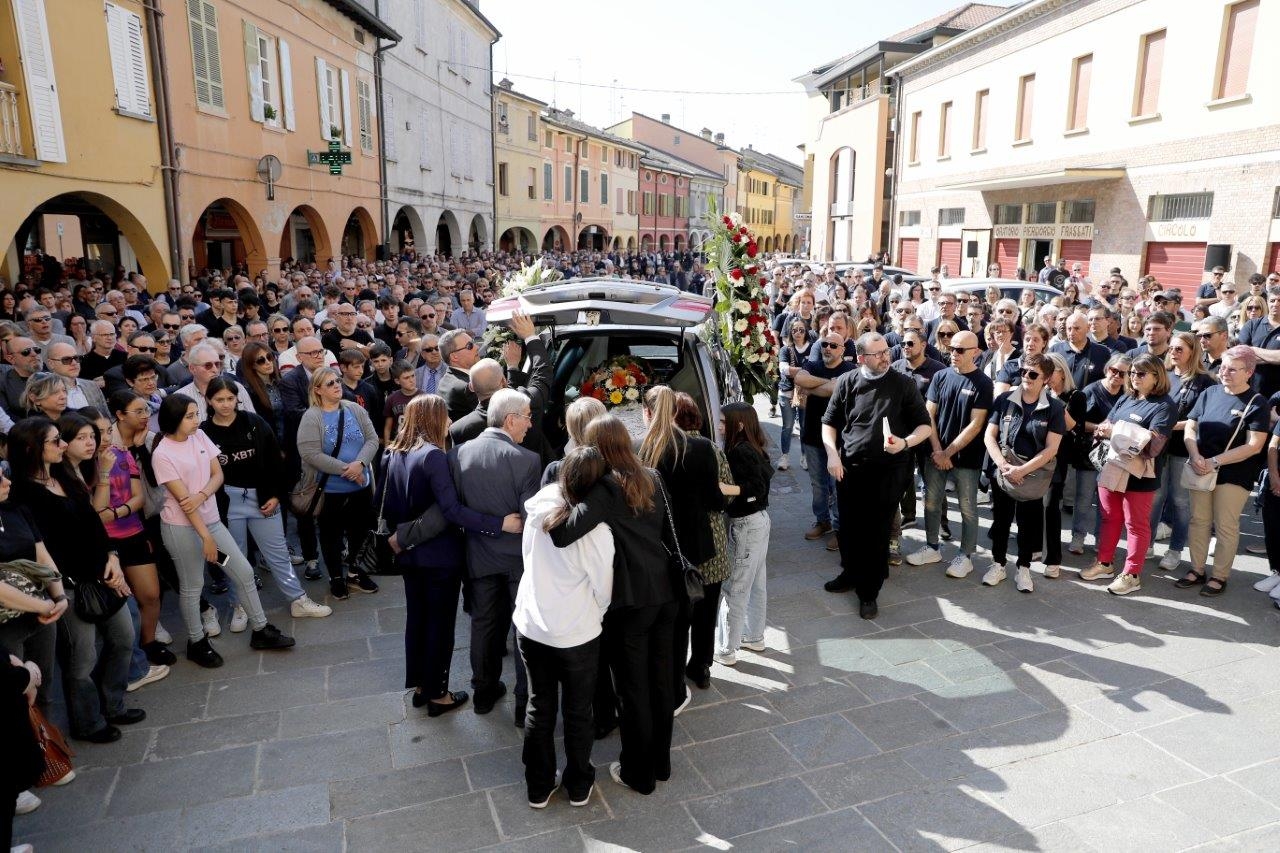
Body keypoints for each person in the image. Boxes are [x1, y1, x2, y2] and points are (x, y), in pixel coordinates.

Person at [548, 415, 678, 796]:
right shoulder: (651, 475)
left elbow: (562, 535)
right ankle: (661, 764)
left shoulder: (605, 488)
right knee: (660, 683)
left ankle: (640, 773)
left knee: (633, 690)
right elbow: (671, 535)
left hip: (631, 601)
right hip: (666, 594)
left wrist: (558, 501)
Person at [381, 395, 521, 716]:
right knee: (440, 626)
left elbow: (384, 504)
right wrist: (499, 524)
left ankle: (420, 686)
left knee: (416, 619)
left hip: (408, 555)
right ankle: (438, 695)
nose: (448, 422)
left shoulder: (393, 454)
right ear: (433, 418)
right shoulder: (434, 457)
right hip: (440, 558)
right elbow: (453, 511)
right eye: (445, 415)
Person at [8, 416, 142, 742]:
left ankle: (113, 704)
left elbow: (92, 522)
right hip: (68, 584)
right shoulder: (23, 494)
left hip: (101, 573)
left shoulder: (66, 474)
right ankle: (88, 722)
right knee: (82, 658)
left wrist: (112, 557)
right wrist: (81, 580)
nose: (64, 445)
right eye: (56, 441)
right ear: (32, 449)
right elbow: (46, 550)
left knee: (124, 638)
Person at [151, 394, 295, 668]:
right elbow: (184, 504)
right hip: (183, 531)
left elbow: (218, 475)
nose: (196, 421)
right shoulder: (163, 453)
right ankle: (197, 641)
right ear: (174, 419)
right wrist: (206, 538)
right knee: (193, 585)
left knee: (242, 571)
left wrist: (202, 495)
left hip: (213, 523)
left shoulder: (200, 437)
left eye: (196, 414)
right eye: (189, 416)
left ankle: (261, 629)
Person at [515, 446, 614, 809]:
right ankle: (578, 783)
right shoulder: (596, 529)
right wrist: (596, 613)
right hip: (577, 630)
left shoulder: (538, 508)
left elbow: (527, 558)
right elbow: (604, 585)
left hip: (532, 623)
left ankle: (538, 785)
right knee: (577, 709)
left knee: (540, 705)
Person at [200, 378, 330, 624]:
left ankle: (297, 599)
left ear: (236, 398)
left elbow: (276, 463)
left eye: (230, 398)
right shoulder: (203, 433)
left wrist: (275, 495)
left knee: (278, 552)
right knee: (231, 557)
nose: (226, 404)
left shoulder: (254, 423)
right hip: (225, 504)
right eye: (219, 399)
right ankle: (239, 605)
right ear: (209, 401)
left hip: (262, 498)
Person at [822, 333, 932, 619]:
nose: (886, 357)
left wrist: (905, 442)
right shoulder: (847, 382)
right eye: (878, 354)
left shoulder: (903, 384)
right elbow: (829, 423)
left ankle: (869, 592)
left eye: (886, 351)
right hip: (849, 469)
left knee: (876, 531)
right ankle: (849, 574)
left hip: (888, 471)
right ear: (861, 358)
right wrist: (833, 454)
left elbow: (925, 427)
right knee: (848, 526)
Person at [453, 388, 541, 723]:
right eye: (528, 417)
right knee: (522, 630)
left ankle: (483, 694)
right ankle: (523, 704)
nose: (529, 425)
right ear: (510, 419)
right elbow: (529, 519)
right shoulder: (527, 460)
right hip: (518, 562)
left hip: (478, 557)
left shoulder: (458, 455)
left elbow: (457, 511)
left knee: (483, 625)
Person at [638, 386, 724, 712]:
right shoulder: (702, 447)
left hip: (656, 547)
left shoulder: (641, 450)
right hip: (693, 548)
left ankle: (666, 683)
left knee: (667, 623)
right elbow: (715, 500)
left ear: (647, 412)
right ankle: (690, 674)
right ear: (675, 410)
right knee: (692, 614)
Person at [1079, 354, 1177, 596]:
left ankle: (1132, 575)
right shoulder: (1126, 397)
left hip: (1140, 474)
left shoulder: (1165, 405)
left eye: (1140, 373)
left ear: (1157, 377)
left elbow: (1153, 446)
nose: (1133, 377)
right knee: (1109, 517)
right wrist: (1105, 428)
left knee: (1136, 525)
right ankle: (1104, 564)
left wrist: (1115, 431)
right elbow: (1109, 422)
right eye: (1131, 373)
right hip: (1113, 466)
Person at [1181, 346, 1269, 596]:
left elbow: (1254, 445)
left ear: (1249, 372)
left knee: (1225, 526)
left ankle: (1219, 576)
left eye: (1232, 369)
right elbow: (1191, 428)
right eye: (1222, 367)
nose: (1224, 372)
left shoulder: (1257, 402)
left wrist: (1215, 461)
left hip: (1234, 474)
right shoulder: (1209, 392)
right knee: (1198, 521)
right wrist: (1195, 454)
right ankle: (1196, 569)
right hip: (1200, 467)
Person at [907, 330, 992, 578]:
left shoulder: (983, 384)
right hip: (935, 453)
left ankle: (965, 556)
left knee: (967, 507)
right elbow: (928, 414)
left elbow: (975, 425)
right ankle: (933, 547)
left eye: (960, 350)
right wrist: (937, 450)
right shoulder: (940, 376)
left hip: (967, 458)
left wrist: (948, 452)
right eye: (951, 348)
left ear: (975, 352)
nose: (953, 353)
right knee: (931, 501)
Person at [981, 354, 1065, 593]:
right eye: (1024, 372)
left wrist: (1023, 470)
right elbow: (990, 435)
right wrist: (1003, 466)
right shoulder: (1005, 399)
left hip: (1034, 474)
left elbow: (1052, 448)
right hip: (1004, 470)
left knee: (1029, 524)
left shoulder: (1055, 408)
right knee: (1001, 521)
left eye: (1033, 374)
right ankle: (997, 563)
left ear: (1046, 379)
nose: (1026, 377)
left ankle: (1024, 568)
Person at [296, 368, 382, 600]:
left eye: (337, 381)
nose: (337, 386)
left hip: (361, 487)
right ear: (317, 390)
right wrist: (348, 470)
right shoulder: (312, 416)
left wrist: (360, 464)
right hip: (330, 490)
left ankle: (355, 572)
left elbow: (373, 439)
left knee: (360, 533)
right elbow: (310, 453)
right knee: (331, 535)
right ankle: (336, 577)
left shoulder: (354, 408)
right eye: (330, 383)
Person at [713, 402, 773, 665]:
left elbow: (756, 487)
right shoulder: (752, 447)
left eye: (724, 422)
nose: (719, 426)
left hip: (747, 523)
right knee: (756, 582)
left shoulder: (740, 451)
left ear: (738, 424)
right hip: (758, 521)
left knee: (734, 586)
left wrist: (726, 488)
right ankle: (754, 636)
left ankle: (727, 648)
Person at [793, 330, 855, 551]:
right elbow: (799, 379)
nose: (828, 348)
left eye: (833, 345)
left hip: (840, 438)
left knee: (839, 485)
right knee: (818, 484)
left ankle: (840, 529)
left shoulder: (849, 370)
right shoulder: (813, 364)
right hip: (812, 435)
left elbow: (838, 387)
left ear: (843, 350)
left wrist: (813, 388)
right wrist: (828, 383)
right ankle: (822, 521)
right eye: (825, 344)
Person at [1069, 352, 1131, 554]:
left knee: (1107, 502)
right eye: (1114, 370)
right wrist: (1100, 428)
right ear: (1107, 369)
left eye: (1123, 373)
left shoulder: (1128, 395)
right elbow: (1076, 422)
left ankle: (1100, 539)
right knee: (1084, 498)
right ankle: (1078, 537)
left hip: (1114, 454)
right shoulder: (1091, 390)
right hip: (1089, 452)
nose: (1118, 376)